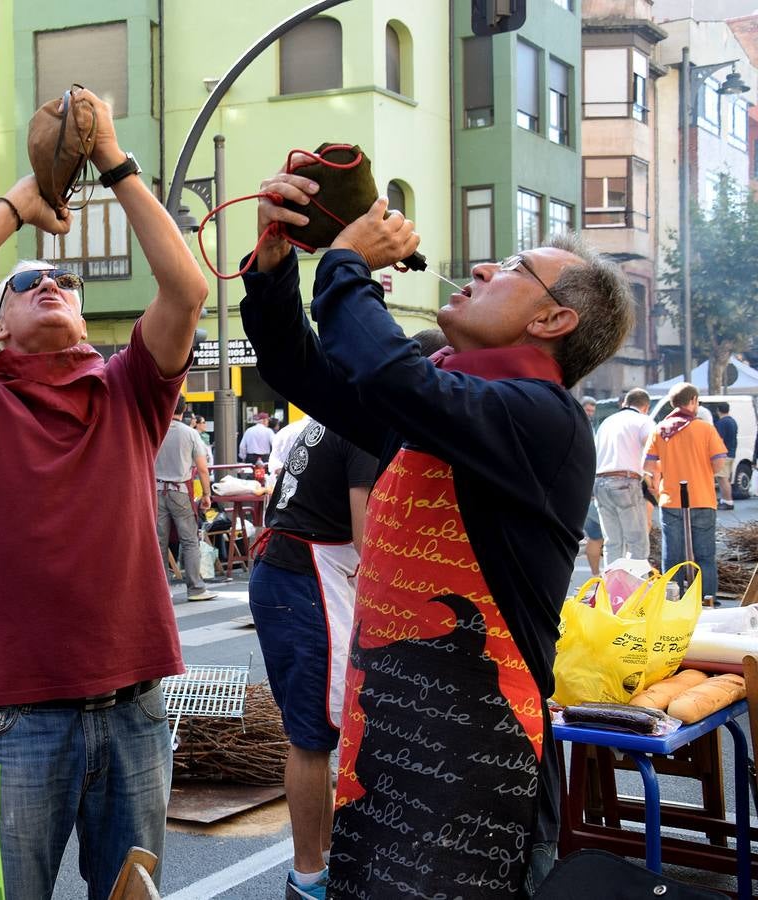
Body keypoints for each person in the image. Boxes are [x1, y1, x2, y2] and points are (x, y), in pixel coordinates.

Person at [241, 171, 632, 898]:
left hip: (482, 776)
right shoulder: (440, 403)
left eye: (513, 270)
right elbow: (298, 366)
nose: (484, 267)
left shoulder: (543, 418)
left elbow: (388, 372)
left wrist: (345, 261)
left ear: (552, 324)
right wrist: (272, 259)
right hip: (384, 755)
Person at [0, 86, 208, 899]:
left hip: (133, 709)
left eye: (62, 278)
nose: (51, 281)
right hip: (14, 720)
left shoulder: (130, 389)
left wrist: (114, 161)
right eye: (26, 282)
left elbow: (186, 290)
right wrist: (17, 207)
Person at [249, 419, 377, 898]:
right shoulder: (369, 425)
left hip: (288, 572)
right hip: (304, 579)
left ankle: (323, 860)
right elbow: (370, 538)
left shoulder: (332, 413)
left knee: (317, 731)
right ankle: (307, 876)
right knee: (311, 735)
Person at [644, 382, 728, 606]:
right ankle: (706, 600)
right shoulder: (705, 429)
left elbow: (649, 466)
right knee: (705, 556)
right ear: (693, 401)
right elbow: (719, 463)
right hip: (701, 498)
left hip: (671, 500)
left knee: (673, 557)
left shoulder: (660, 429)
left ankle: (672, 600)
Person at [155, 395, 216, 602]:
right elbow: (202, 469)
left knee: (159, 542)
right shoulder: (190, 433)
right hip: (180, 490)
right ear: (184, 409)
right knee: (189, 540)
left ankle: (161, 591)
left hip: (155, 490)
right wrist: (207, 495)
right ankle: (196, 588)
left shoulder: (155, 430)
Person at [593, 388, 655, 565]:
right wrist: (649, 475)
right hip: (625, 482)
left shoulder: (607, 422)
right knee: (637, 543)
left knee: (613, 543)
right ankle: (635, 589)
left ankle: (613, 590)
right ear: (646, 407)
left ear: (625, 403)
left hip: (600, 482)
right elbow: (651, 447)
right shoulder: (643, 420)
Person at [580, 396, 604, 576]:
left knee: (596, 536)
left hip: (593, 488)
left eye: (592, 412)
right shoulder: (581, 429)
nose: (589, 415)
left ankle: (596, 577)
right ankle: (596, 576)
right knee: (597, 536)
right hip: (587, 490)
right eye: (587, 411)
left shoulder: (593, 430)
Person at [714, 401, 737, 510]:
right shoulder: (732, 421)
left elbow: (719, 440)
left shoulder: (722, 423)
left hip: (723, 454)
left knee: (722, 479)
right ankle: (725, 499)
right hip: (731, 452)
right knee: (725, 478)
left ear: (718, 410)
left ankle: (728, 501)